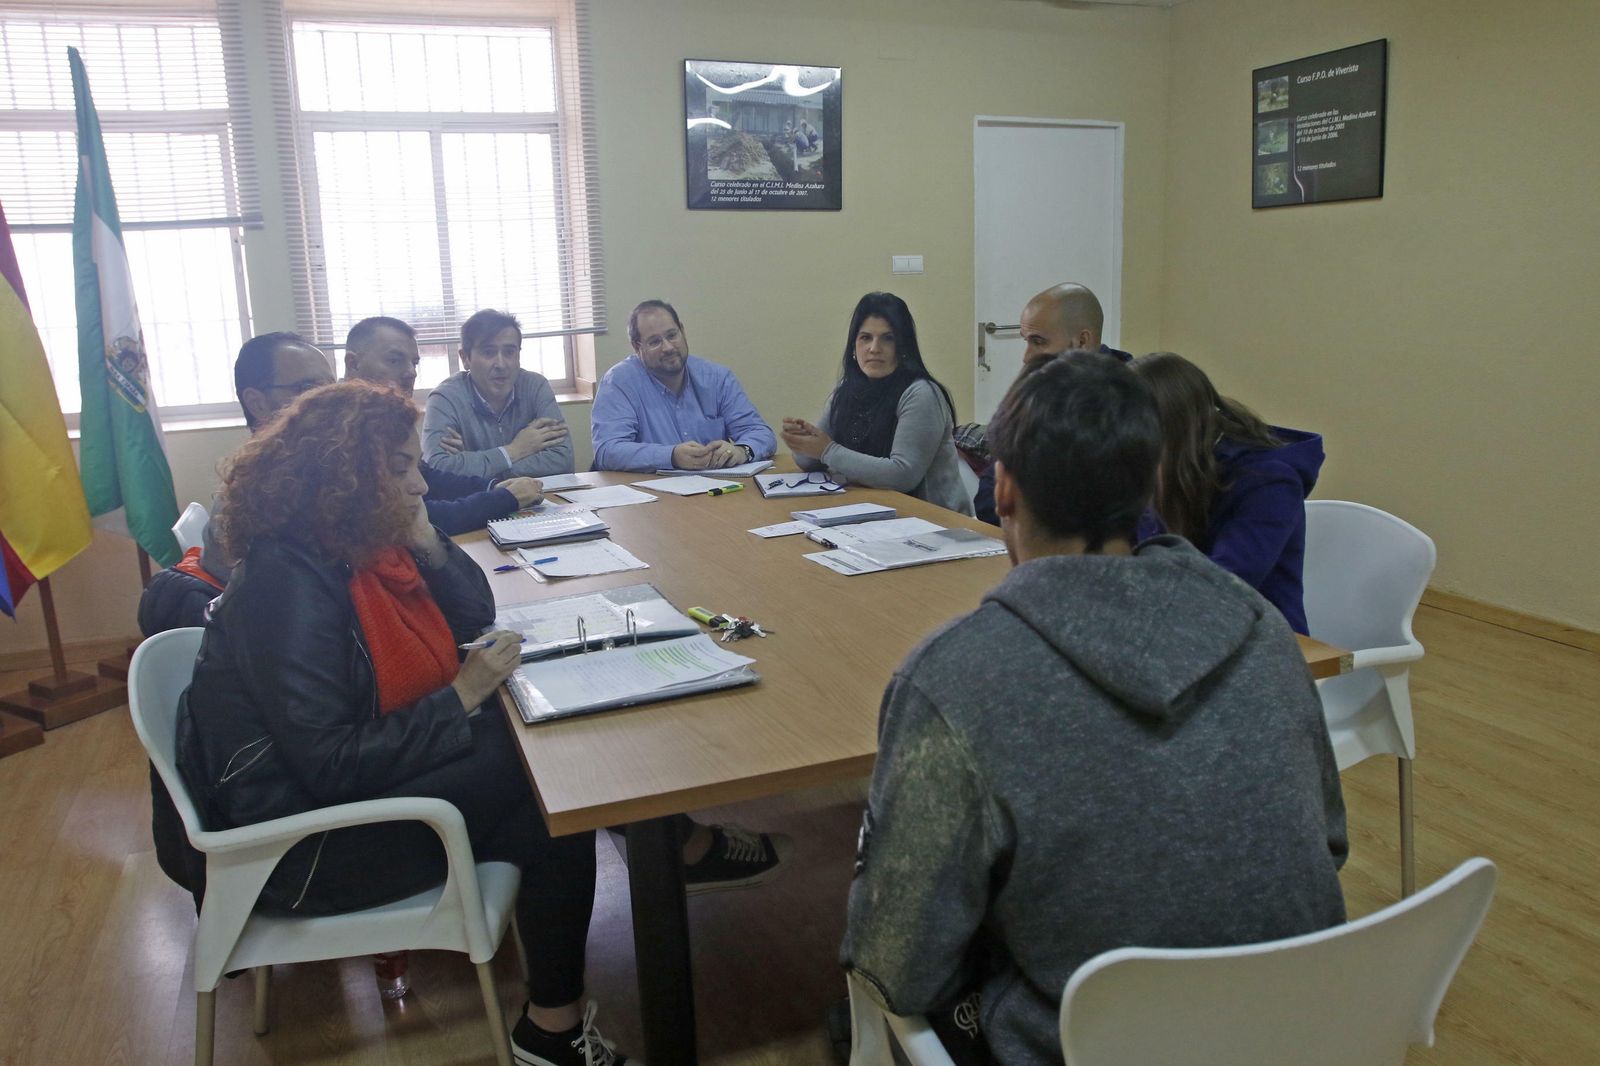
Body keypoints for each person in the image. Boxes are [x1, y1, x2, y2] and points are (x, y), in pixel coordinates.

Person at [841, 352, 1347, 1066]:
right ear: (1148, 486)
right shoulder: (1263, 627)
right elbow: (1329, 842)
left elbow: (897, 960)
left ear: (1004, 489)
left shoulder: (952, 677)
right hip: (1306, 1030)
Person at [175, 381, 630, 1066]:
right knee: (550, 782)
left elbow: (476, 615)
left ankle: (553, 1024)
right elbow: (329, 764)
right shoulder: (287, 582)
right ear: (346, 477)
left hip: (339, 795)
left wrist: (429, 542)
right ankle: (555, 1029)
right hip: (298, 849)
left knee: (545, 762)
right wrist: (460, 696)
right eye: (400, 468)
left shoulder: (354, 546)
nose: (420, 483)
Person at [1131, 351, 1325, 634]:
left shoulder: (1270, 482)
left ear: (1168, 428)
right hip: (1176, 629)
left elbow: (1226, 586)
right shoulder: (1160, 465)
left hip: (1263, 646)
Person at [345, 315, 545, 534]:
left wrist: (492, 486)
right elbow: (406, 515)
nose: (411, 372)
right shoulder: (338, 428)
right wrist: (504, 498)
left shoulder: (386, 414)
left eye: (414, 362)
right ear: (353, 364)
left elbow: (428, 478)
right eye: (394, 360)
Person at [782, 292, 972, 515]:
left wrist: (827, 450)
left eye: (887, 338)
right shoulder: (848, 389)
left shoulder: (921, 394)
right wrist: (804, 442)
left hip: (935, 523)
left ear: (903, 347)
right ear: (853, 347)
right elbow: (811, 461)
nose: (874, 348)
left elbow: (902, 475)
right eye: (865, 338)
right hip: (873, 515)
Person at [970, 283, 1132, 525]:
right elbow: (988, 498)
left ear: (1082, 341)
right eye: (1026, 341)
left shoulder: (1129, 399)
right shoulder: (1036, 394)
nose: (1026, 357)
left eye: (1038, 342)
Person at [591, 299, 777, 472]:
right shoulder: (619, 382)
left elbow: (759, 432)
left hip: (714, 492)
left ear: (682, 331)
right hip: (649, 498)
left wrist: (742, 450)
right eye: (655, 342)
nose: (668, 347)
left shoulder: (717, 378)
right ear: (637, 347)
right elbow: (608, 451)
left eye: (672, 335)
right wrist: (671, 456)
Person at [423, 308, 574, 480]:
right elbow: (437, 470)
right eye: (488, 352)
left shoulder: (535, 386)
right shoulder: (445, 398)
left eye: (509, 352)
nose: (501, 364)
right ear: (465, 358)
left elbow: (563, 460)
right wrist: (515, 450)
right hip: (476, 503)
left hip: (535, 499)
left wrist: (474, 466)